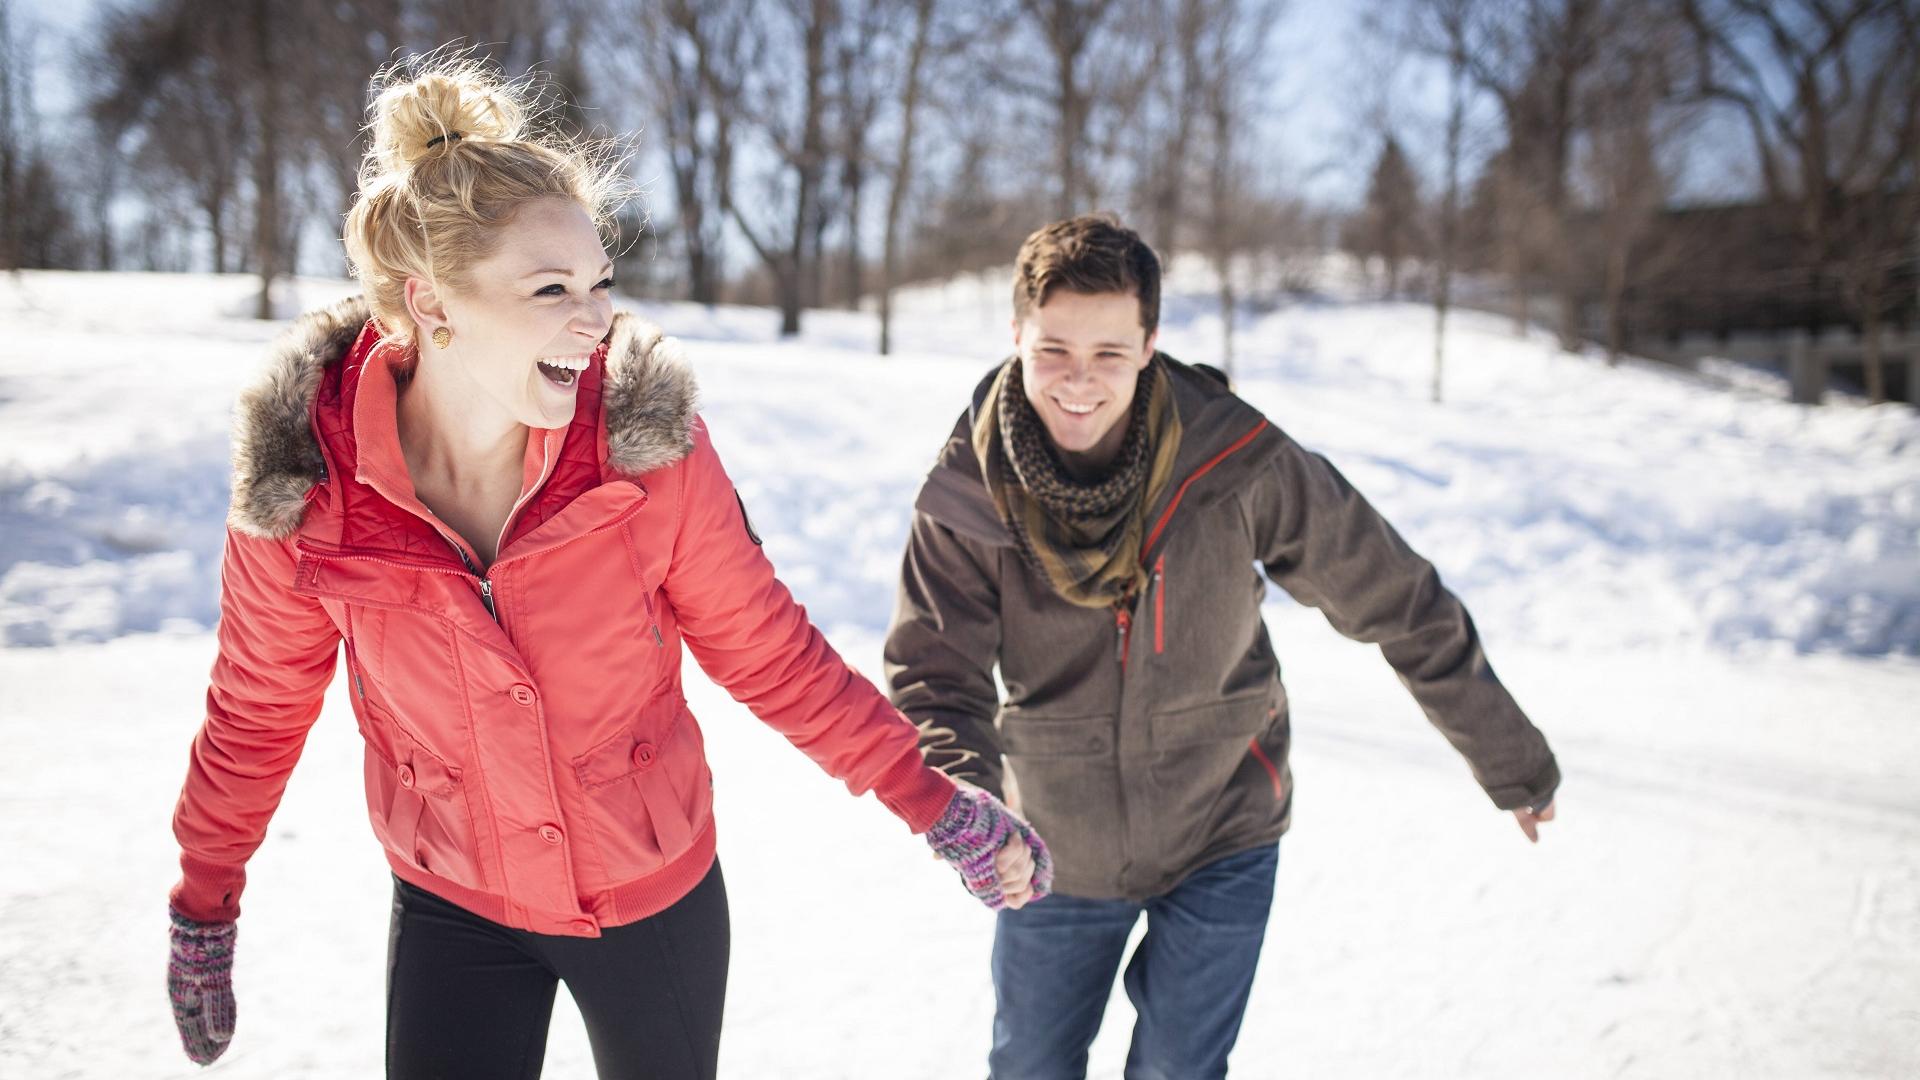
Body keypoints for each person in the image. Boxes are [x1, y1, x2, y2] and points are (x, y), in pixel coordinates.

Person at [163, 55, 1048, 1080]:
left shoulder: (641, 448)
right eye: (551, 290)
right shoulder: (309, 490)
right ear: (432, 301)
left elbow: (771, 654)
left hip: (651, 899)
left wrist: (933, 801)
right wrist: (204, 903)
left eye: (600, 283)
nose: (596, 320)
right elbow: (256, 709)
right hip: (453, 902)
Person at [883, 214, 1560, 1080]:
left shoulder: (1231, 462)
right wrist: (975, 809)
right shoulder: (970, 491)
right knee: (1030, 1067)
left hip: (1224, 826)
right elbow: (935, 676)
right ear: (1016, 333)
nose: (1079, 382)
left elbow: (1391, 591)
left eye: (1110, 354)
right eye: (1053, 350)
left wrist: (1508, 755)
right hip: (1053, 844)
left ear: (1151, 344)